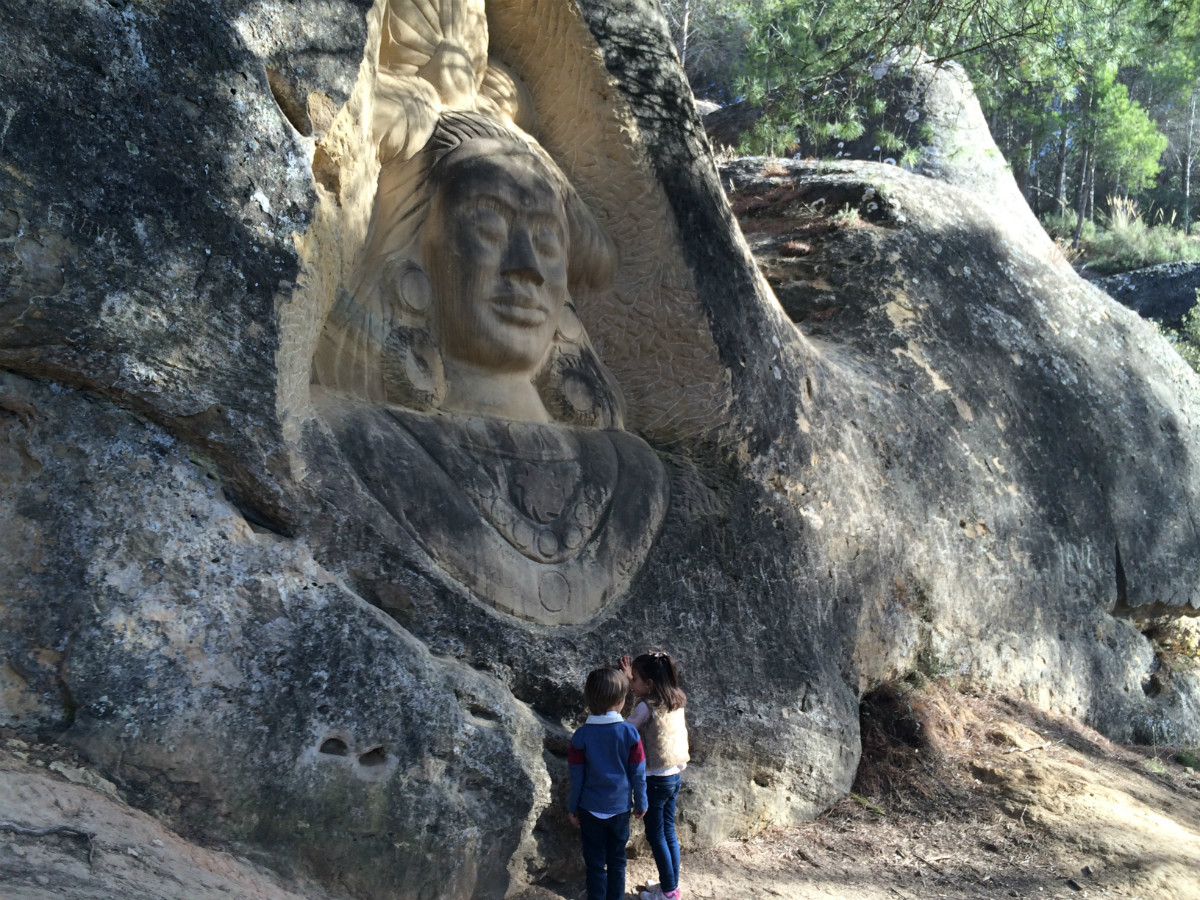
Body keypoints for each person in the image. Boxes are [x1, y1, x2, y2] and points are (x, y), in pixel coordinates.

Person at [568, 666, 648, 900]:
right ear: (622, 700)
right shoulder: (630, 734)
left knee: (594, 864)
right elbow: (638, 773)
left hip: (589, 809)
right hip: (620, 809)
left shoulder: (581, 736)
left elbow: (576, 776)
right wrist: (641, 802)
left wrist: (573, 807)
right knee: (616, 861)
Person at [620, 652, 689, 900]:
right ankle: (670, 885)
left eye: (635, 679)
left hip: (656, 780)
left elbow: (627, 728)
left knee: (656, 835)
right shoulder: (676, 699)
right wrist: (632, 680)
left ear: (648, 684)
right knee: (668, 832)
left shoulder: (645, 707)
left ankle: (669, 894)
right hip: (674, 775)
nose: (632, 683)